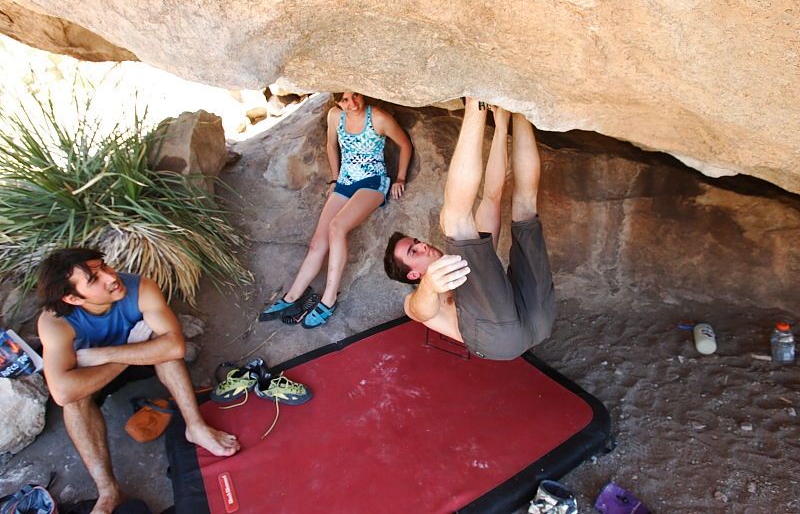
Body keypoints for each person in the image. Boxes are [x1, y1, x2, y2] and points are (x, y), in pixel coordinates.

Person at [36, 248, 239, 514]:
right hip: (98, 371)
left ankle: (196, 426)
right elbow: (63, 392)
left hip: (124, 357)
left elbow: (175, 346)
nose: (111, 277)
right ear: (73, 298)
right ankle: (108, 490)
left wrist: (106, 354)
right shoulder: (55, 323)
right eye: (95, 279)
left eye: (104, 267)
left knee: (163, 347)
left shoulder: (140, 287)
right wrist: (125, 355)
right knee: (75, 402)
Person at [383, 99, 555, 360]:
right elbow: (419, 311)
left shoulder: (468, 264)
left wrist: (500, 127)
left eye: (416, 241)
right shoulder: (421, 298)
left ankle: (520, 110)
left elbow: (491, 198)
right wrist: (429, 286)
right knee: (452, 220)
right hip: (497, 342)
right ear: (413, 274)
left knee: (525, 210)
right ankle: (475, 100)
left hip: (540, 316)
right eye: (413, 251)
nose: (422, 245)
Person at [260, 92, 413, 328]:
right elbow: (331, 145)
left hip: (372, 182)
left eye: (355, 96)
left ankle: (328, 299)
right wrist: (334, 179)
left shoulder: (378, 118)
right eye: (343, 100)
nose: (351, 104)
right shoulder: (335, 117)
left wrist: (400, 177)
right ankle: (291, 297)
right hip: (345, 182)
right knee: (317, 243)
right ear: (336, 102)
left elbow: (404, 144)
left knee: (337, 227)